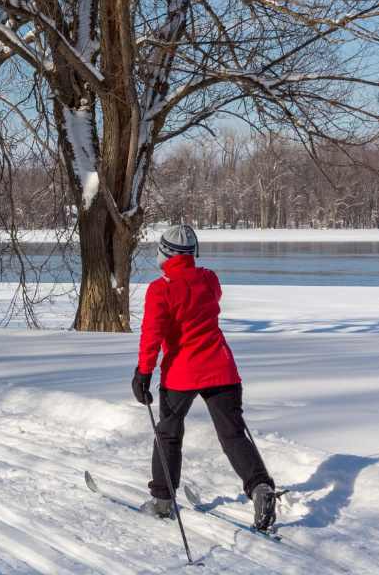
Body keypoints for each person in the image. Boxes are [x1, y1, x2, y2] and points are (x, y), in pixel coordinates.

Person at [132, 224, 278, 530]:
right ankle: (260, 487)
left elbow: (152, 336)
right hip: (222, 369)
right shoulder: (209, 279)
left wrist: (143, 373)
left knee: (168, 435)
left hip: (181, 374)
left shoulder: (161, 288)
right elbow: (206, 296)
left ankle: (161, 503)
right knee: (233, 435)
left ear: (164, 252)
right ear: (192, 253)